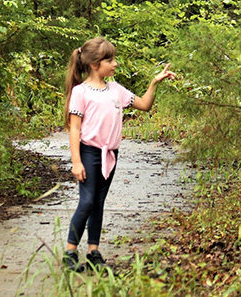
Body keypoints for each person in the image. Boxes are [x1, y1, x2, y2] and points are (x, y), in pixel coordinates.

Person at [62, 37, 176, 272]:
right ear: (95, 64)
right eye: (110, 60)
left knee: (99, 203)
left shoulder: (116, 90)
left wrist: (155, 82)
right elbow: (74, 128)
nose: (115, 64)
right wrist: (76, 162)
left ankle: (93, 252)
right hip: (88, 153)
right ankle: (70, 253)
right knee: (87, 202)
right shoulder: (81, 92)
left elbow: (144, 104)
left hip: (110, 156)